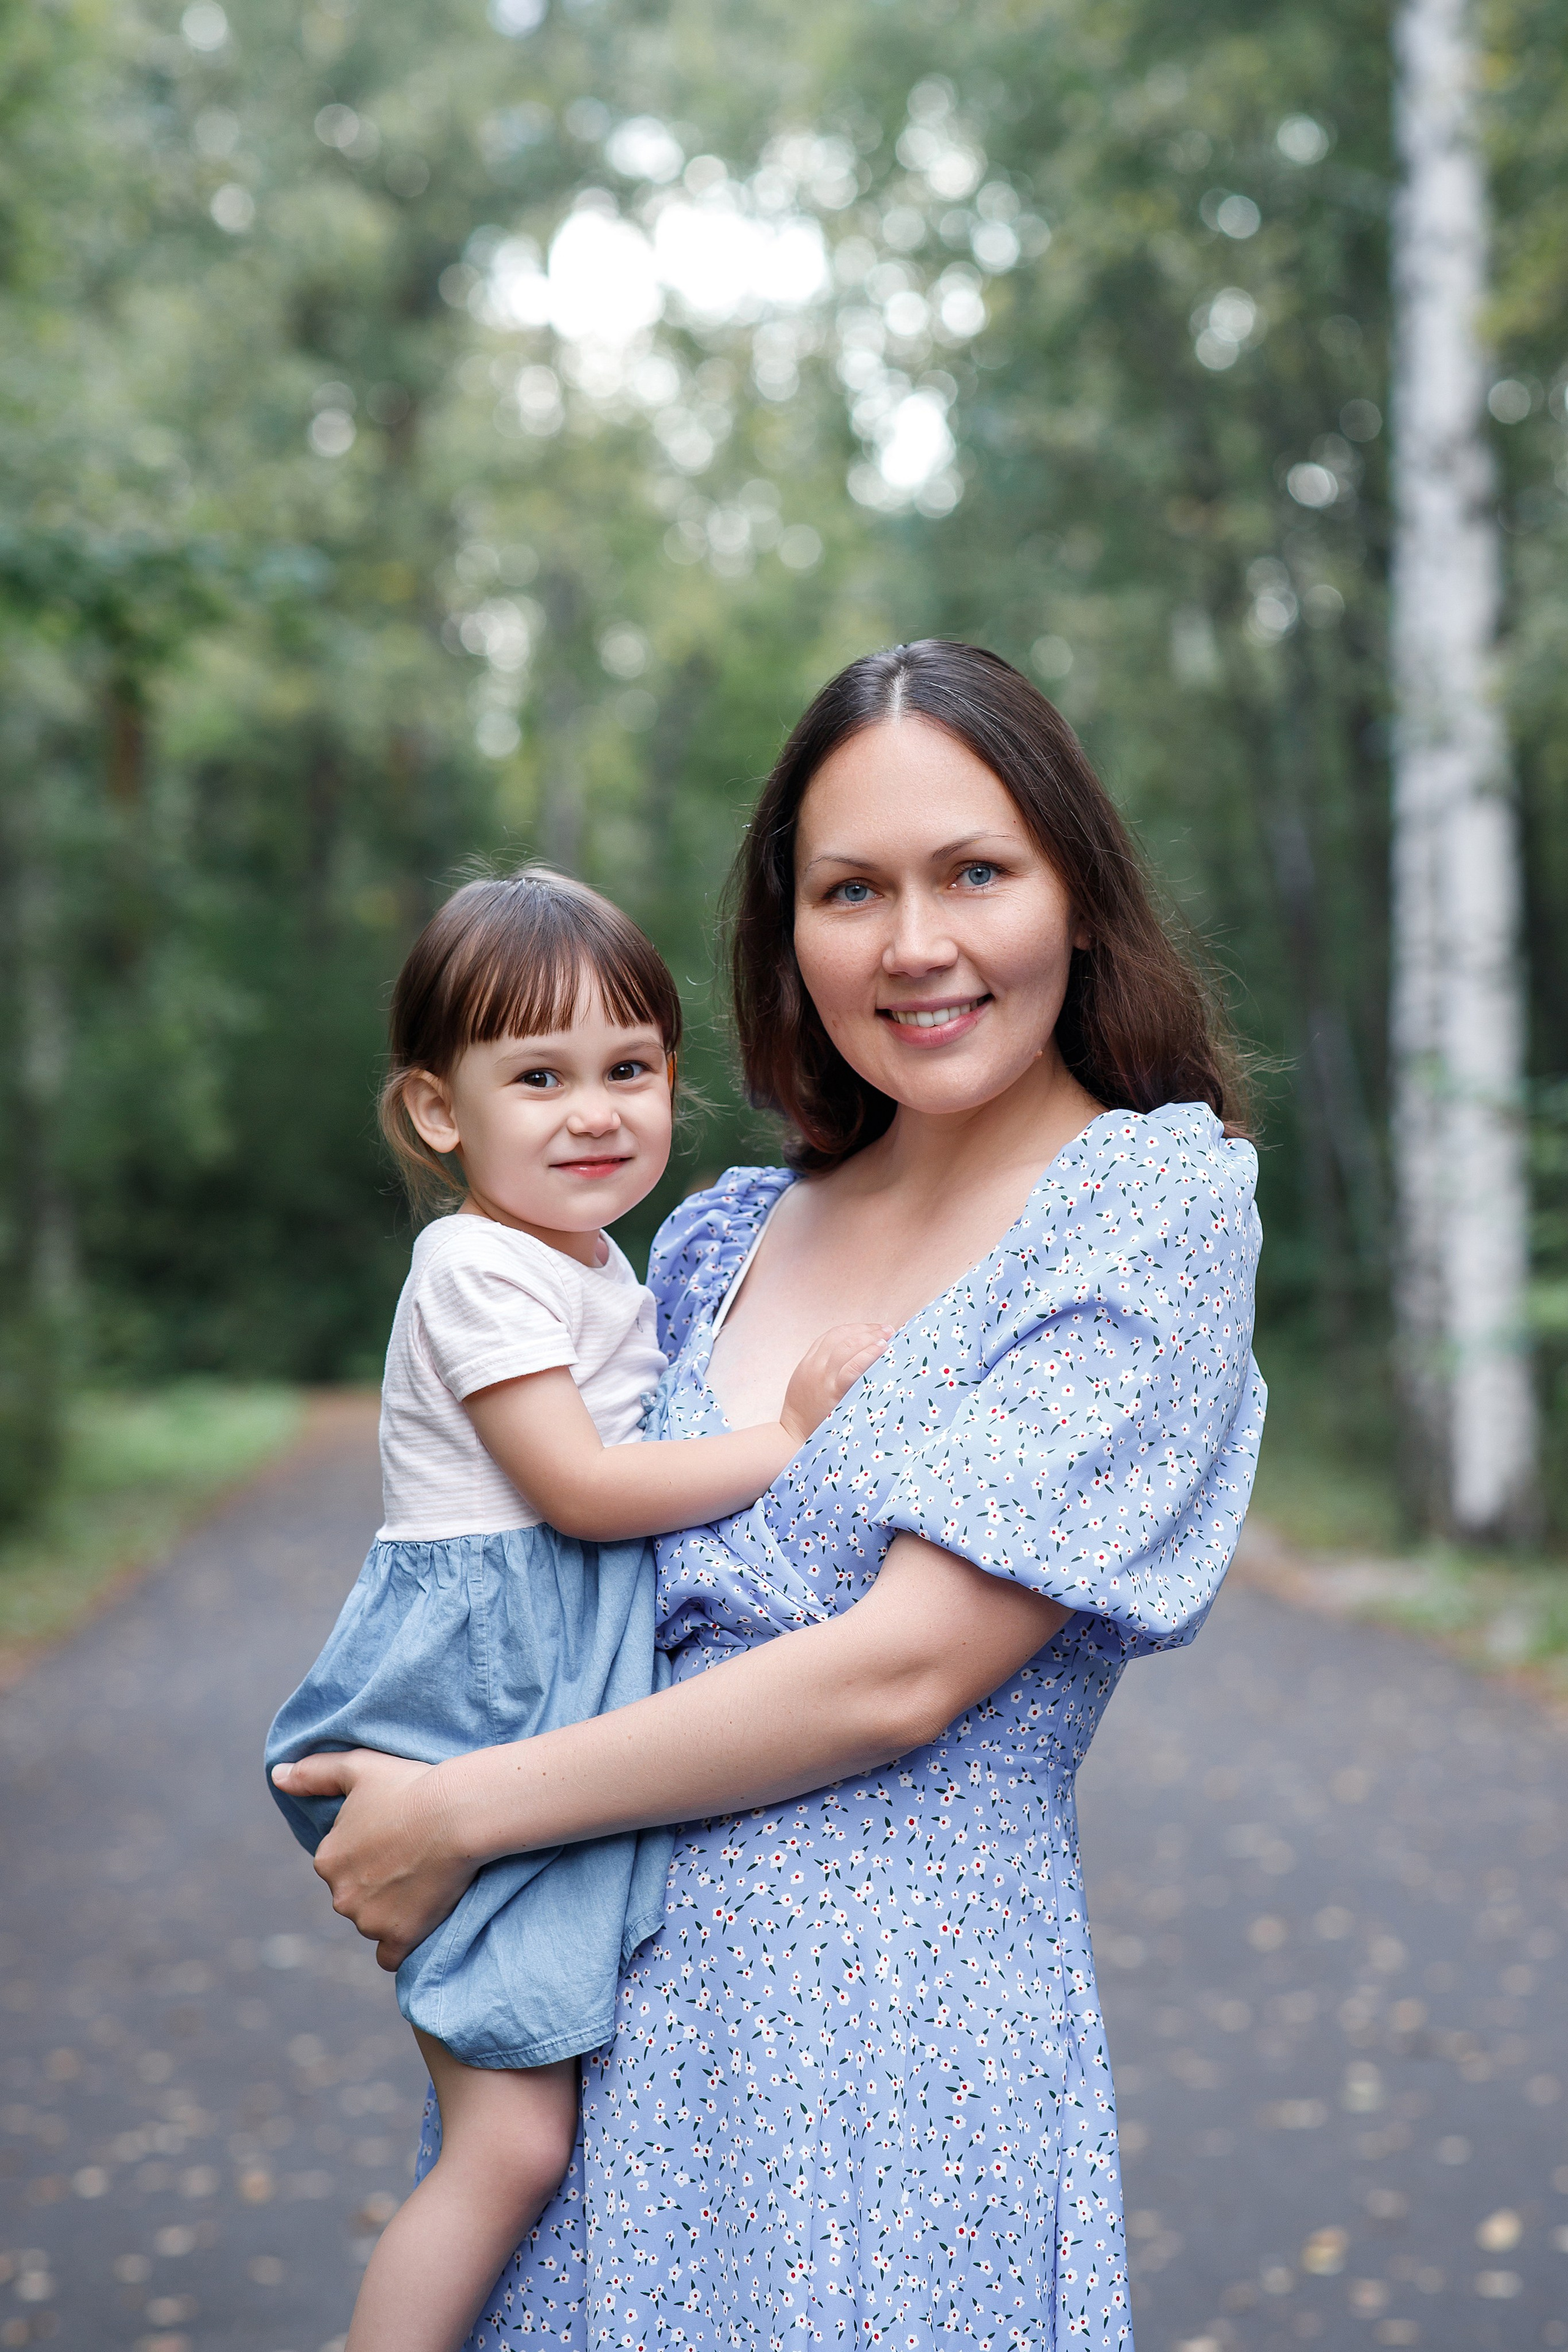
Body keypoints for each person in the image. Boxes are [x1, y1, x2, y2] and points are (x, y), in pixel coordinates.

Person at [273, 639, 1267, 2351]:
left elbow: (902, 1672)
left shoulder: (1143, 1213)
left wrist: (463, 1814)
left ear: (1081, 898)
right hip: (598, 2037)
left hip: (887, 2075)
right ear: (788, 933)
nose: (914, 944)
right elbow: (560, 1555)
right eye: (850, 889)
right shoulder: (721, 1236)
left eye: (975, 871)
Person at [265, 867, 886, 2352]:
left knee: (541, 2128)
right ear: (438, 1111)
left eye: (629, 1069)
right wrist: (787, 1442)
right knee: (511, 2147)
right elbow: (584, 1491)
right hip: (479, 1686)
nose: (593, 1112)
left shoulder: (587, 1258)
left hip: (544, 1669)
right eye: (538, 1078)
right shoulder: (474, 1266)